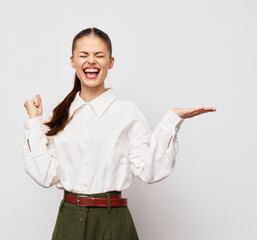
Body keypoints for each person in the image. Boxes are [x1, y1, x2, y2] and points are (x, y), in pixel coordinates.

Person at [23, 27, 216, 240]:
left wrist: (172, 120)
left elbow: (150, 171)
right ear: (72, 61)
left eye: (99, 55)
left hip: (113, 221)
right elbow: (44, 175)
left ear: (111, 62)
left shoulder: (127, 112)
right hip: (69, 220)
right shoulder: (59, 115)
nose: (91, 61)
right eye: (84, 55)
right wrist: (34, 121)